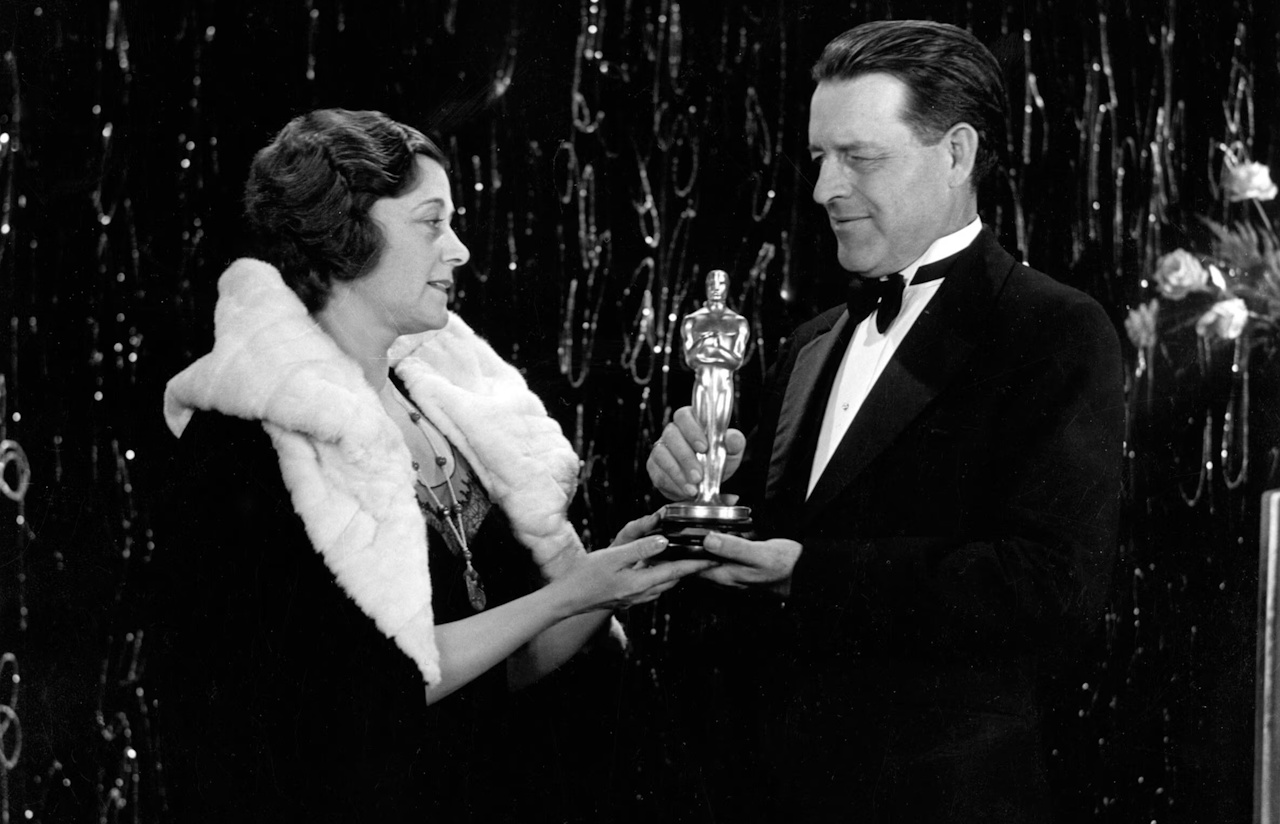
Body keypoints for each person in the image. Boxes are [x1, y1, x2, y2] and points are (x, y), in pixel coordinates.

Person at [150, 108, 712, 822]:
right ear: (345, 230)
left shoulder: (443, 401)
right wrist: (571, 593)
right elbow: (353, 697)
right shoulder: (248, 444)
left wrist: (609, 580)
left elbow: (500, 668)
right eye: (430, 222)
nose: (459, 251)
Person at [647, 21, 1124, 822]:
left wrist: (806, 571)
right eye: (818, 159)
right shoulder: (811, 341)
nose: (824, 189)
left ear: (959, 154)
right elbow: (770, 557)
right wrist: (700, 489)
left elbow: (1051, 588)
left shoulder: (1053, 329)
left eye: (859, 157)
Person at [681, 269, 749, 504]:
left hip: (722, 382)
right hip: (703, 381)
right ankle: (703, 494)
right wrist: (720, 351)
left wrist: (709, 349)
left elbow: (736, 359)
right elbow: (691, 358)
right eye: (712, 282)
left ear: (727, 287)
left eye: (721, 282)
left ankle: (712, 494)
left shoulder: (737, 322)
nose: (716, 287)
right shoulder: (693, 320)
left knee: (718, 436)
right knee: (702, 436)